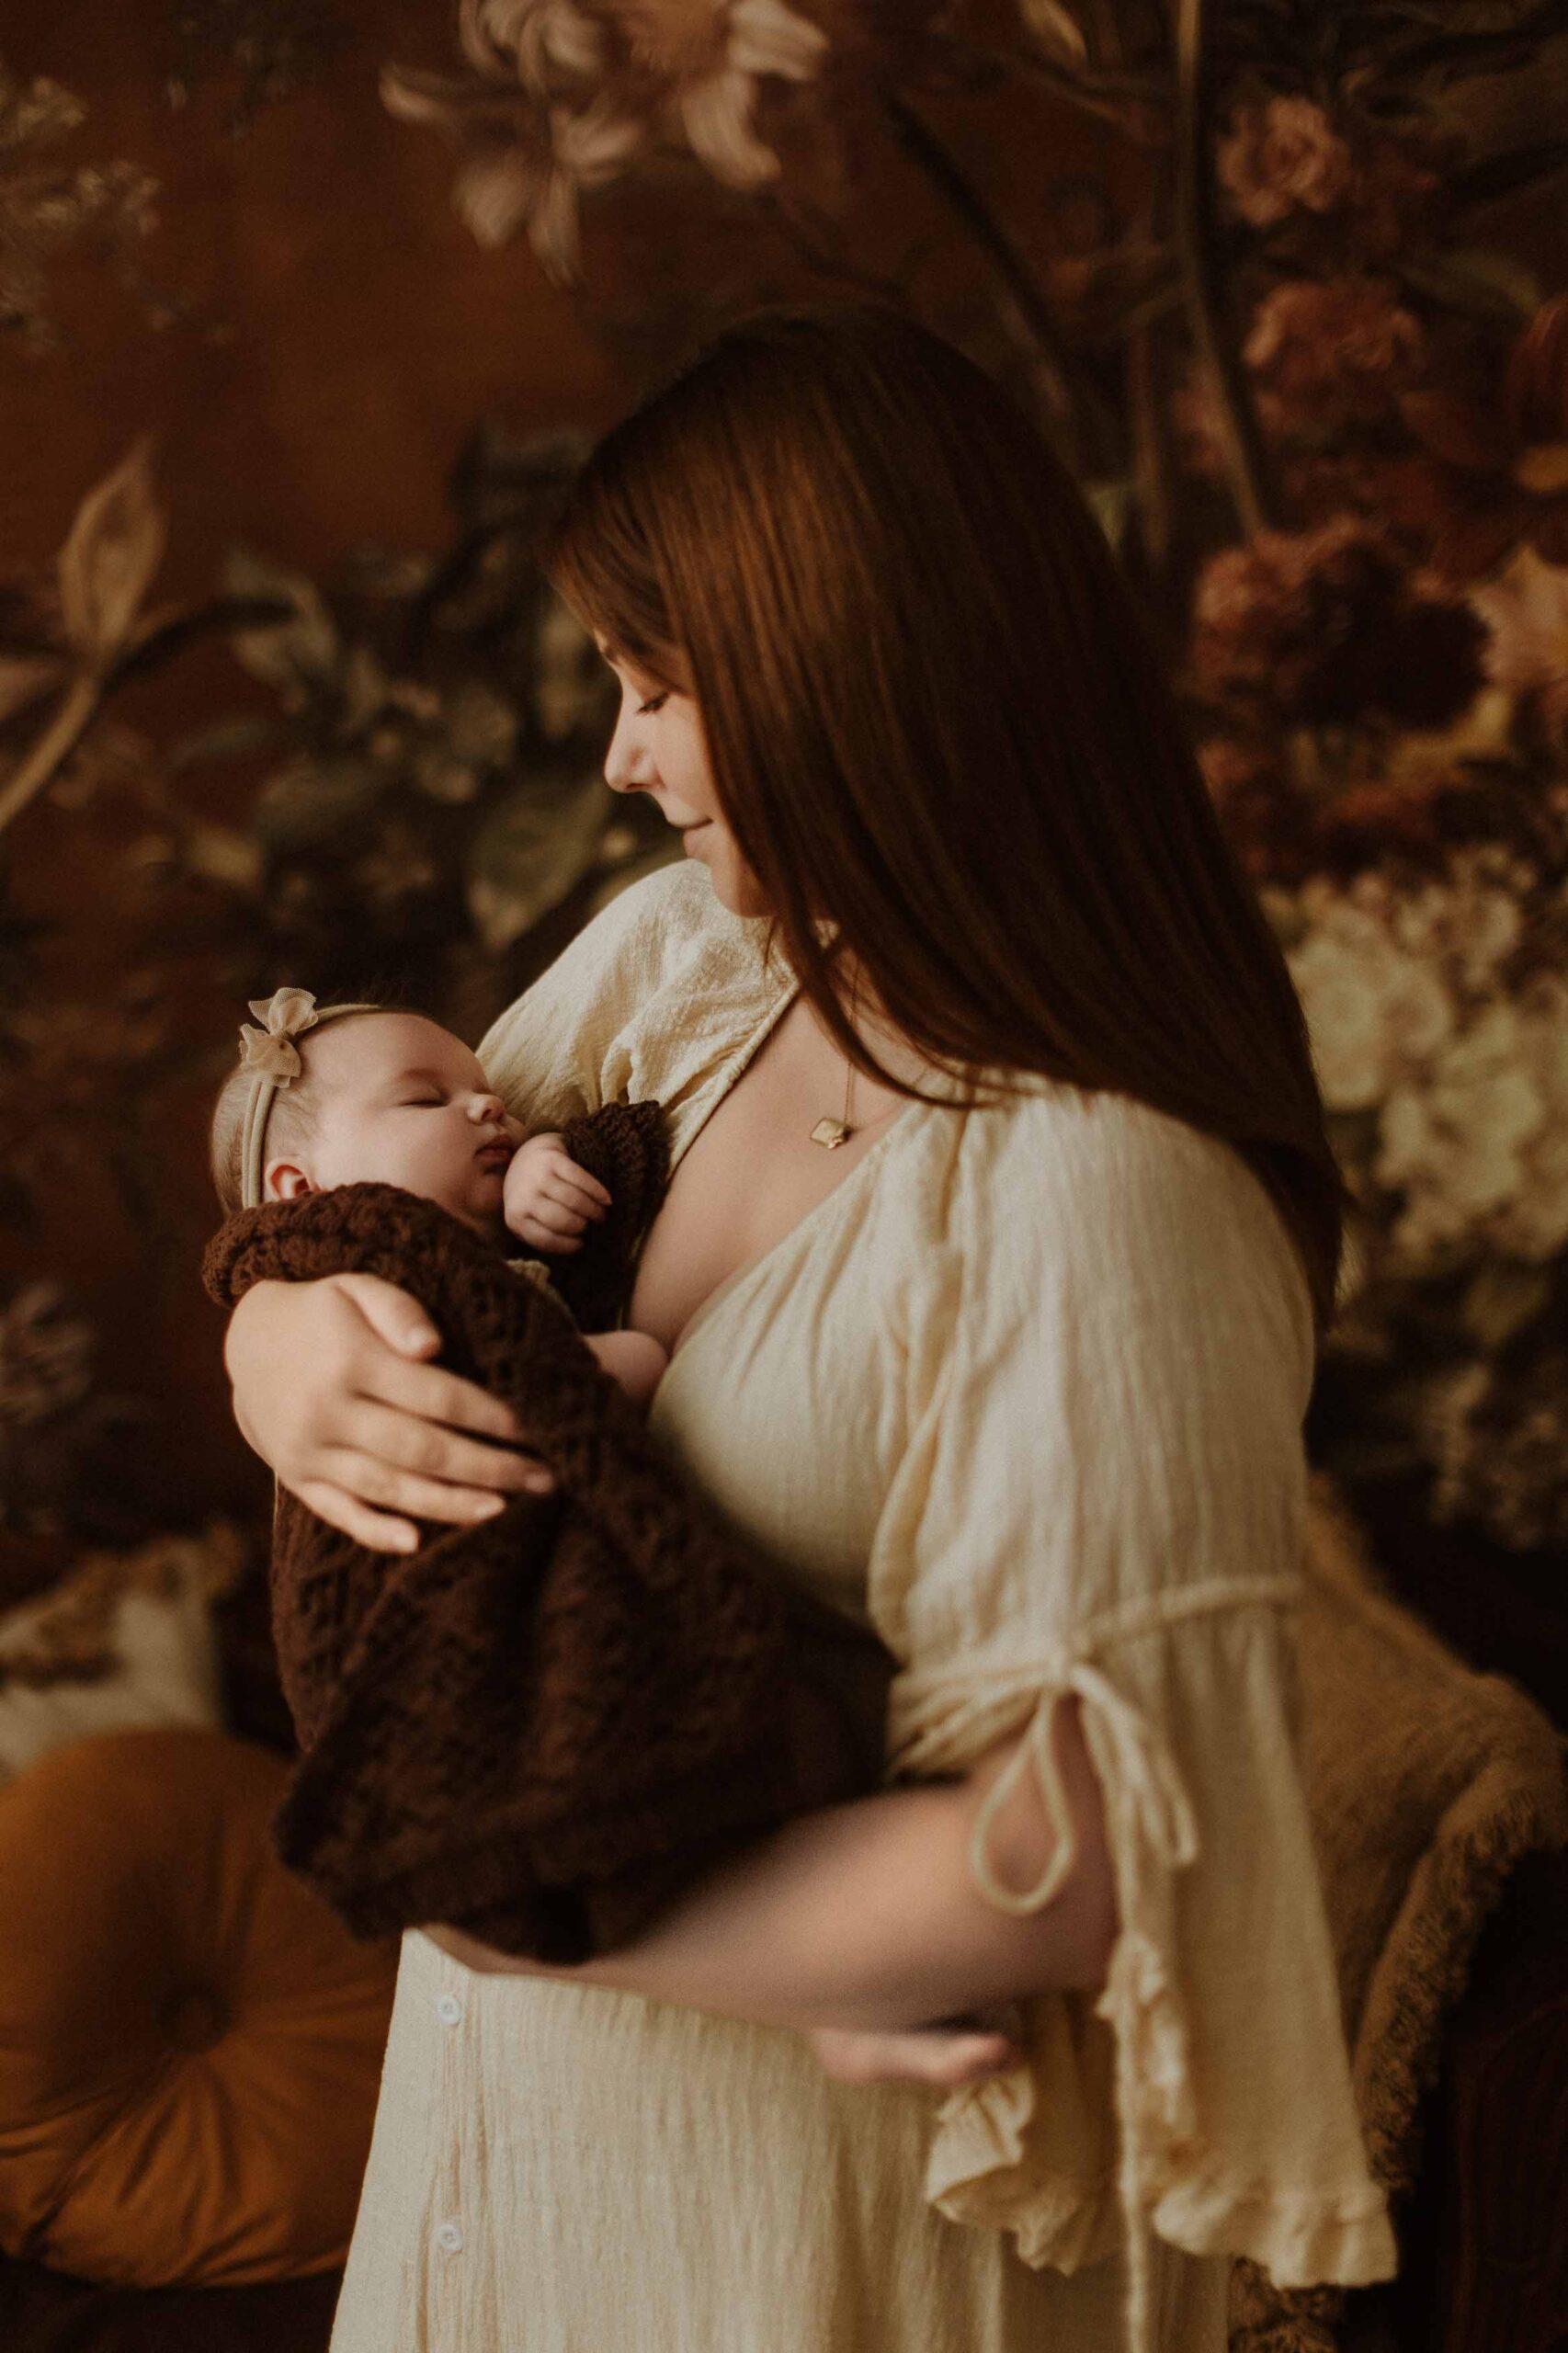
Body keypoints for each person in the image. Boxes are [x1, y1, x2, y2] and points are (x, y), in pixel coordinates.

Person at [218, 301, 1398, 2352]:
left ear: (852, 678)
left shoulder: (1103, 1185)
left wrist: (518, 1916)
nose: (619, 752)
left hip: (809, 2243)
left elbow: (1071, 1865)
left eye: (658, 683)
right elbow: (346, 1209)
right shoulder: (686, 967)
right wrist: (271, 1340)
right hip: (508, 2174)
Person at [206, 989, 669, 1404]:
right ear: (303, 1191)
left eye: (488, 1091)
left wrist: (541, 1155)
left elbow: (602, 1157)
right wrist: (624, 1359)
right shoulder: (364, 1288)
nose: (491, 1105)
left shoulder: (503, 1238)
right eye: (425, 1099)